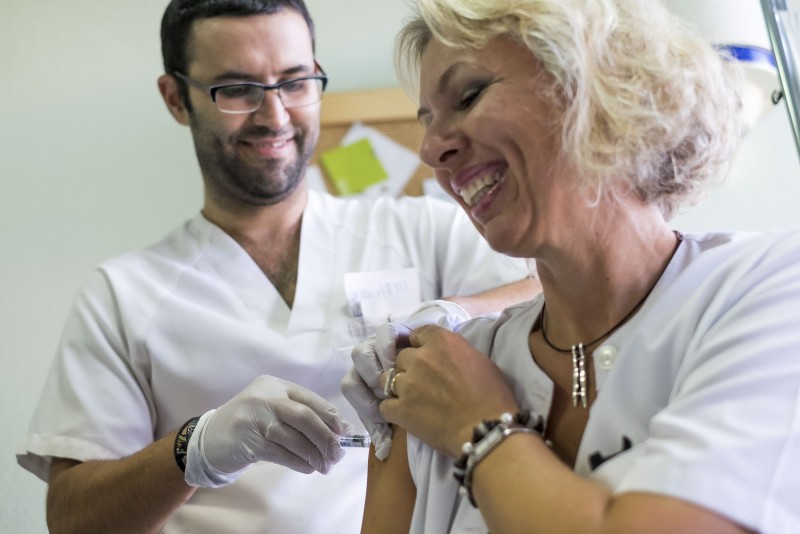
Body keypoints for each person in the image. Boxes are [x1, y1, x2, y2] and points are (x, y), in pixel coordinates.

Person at [15, 1, 540, 533]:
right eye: (237, 89)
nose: (275, 116)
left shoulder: (425, 232)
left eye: (294, 82)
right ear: (176, 98)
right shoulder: (122, 296)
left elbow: (548, 294)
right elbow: (72, 520)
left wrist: (455, 313)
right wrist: (194, 449)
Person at [343, 0, 800, 532]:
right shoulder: (440, 374)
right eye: (428, 121)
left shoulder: (768, 289)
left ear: (603, 88)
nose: (430, 150)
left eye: (468, 96)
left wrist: (481, 429)